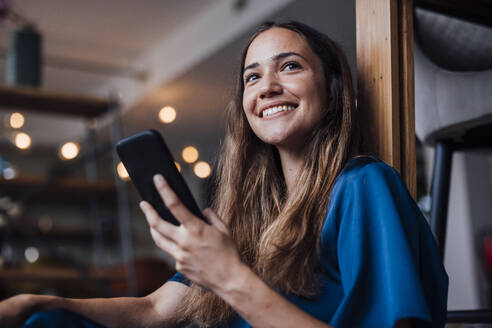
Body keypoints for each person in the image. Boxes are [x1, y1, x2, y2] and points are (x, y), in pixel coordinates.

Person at [0, 20, 448, 328]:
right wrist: (39, 299)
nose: (268, 86)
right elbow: (155, 310)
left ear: (332, 92)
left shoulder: (362, 185)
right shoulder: (245, 219)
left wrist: (229, 276)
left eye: (290, 66)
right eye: (252, 77)